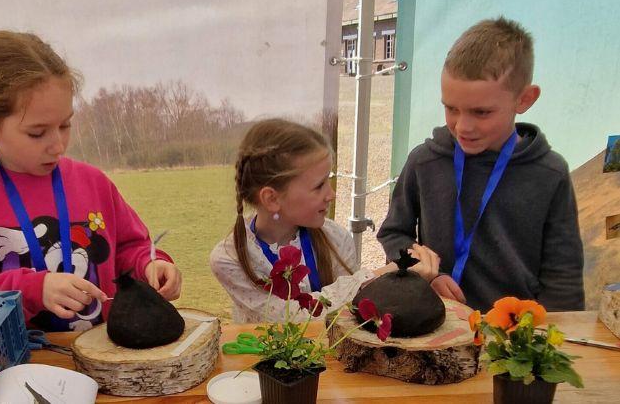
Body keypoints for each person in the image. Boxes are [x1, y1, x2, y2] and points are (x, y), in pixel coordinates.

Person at [0, 31, 181, 331]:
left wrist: (151, 264)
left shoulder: (93, 183)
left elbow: (129, 248)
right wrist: (32, 289)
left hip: (103, 358)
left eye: (65, 125)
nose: (58, 144)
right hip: (13, 369)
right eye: (37, 132)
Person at [377, 17, 584, 311]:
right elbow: (394, 234)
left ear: (524, 99)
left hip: (516, 338)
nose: (463, 126)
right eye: (451, 108)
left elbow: (563, 275)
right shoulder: (425, 161)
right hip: (439, 324)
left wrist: (554, 343)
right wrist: (426, 275)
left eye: (481, 112)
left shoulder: (550, 173)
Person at [209, 119, 439, 323]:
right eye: (319, 186)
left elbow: (349, 313)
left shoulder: (336, 239)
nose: (331, 194)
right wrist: (382, 275)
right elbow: (291, 318)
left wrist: (399, 279)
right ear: (272, 199)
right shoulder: (231, 260)